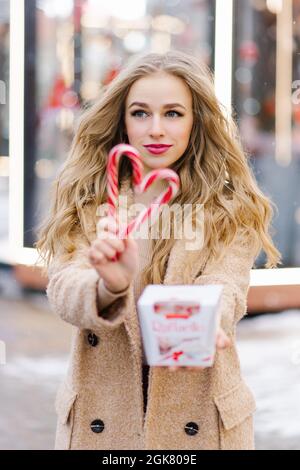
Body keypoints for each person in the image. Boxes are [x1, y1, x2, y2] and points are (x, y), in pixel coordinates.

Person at [35, 50, 281, 450]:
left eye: (173, 113)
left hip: (199, 420)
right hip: (103, 421)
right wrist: (106, 287)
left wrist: (205, 318)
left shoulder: (228, 207)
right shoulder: (91, 200)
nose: (155, 130)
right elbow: (65, 287)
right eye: (140, 113)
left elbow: (226, 282)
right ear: (122, 121)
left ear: (195, 121)